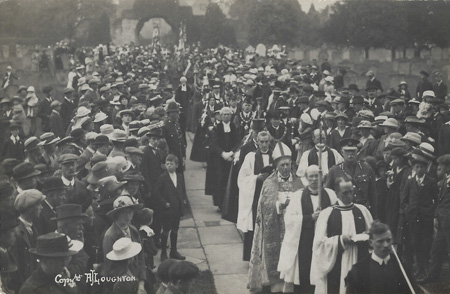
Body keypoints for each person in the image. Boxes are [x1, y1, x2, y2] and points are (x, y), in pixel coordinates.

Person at [248, 141, 304, 293]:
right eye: (282, 165)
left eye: (288, 165)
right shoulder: (269, 183)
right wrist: (280, 206)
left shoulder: (299, 182)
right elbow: (265, 206)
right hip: (276, 225)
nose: (285, 168)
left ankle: (292, 282)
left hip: (292, 228)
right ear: (277, 166)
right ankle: (275, 283)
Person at [278, 165, 338, 293]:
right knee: (306, 270)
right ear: (306, 178)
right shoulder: (298, 196)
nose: (314, 179)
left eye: (317, 176)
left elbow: (337, 214)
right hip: (305, 240)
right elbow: (289, 219)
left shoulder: (331, 194)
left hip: (324, 240)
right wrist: (310, 217)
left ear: (322, 177)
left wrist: (326, 216)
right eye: (311, 176)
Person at [310, 177, 373, 294]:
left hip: (360, 259)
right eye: (345, 193)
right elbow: (318, 245)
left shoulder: (363, 210)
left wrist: (368, 236)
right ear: (337, 193)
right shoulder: (326, 214)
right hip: (336, 263)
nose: (349, 196)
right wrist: (340, 240)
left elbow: (373, 236)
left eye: (351, 192)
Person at [345, 221, 416, 294]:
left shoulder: (401, 265)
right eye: (380, 241)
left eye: (388, 240)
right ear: (370, 243)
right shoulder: (358, 271)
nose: (386, 245)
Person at [237, 131, 273, 261]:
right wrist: (256, 178)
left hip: (271, 197)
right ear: (257, 142)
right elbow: (242, 178)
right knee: (254, 227)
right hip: (255, 196)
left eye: (266, 142)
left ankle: (267, 258)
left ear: (269, 142)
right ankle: (252, 257)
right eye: (261, 142)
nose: (264, 145)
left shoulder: (274, 156)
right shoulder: (250, 157)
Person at [401, 154, 437, 279]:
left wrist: (431, 212)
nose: (419, 169)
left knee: (426, 242)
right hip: (413, 218)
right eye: (417, 167)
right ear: (414, 168)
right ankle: (420, 268)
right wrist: (408, 210)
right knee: (415, 243)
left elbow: (436, 199)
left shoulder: (431, 182)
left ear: (426, 168)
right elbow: (404, 199)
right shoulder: (410, 182)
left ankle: (426, 268)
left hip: (426, 218)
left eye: (422, 167)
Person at [101, 195, 146, 293]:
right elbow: (110, 267)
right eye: (123, 213)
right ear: (116, 215)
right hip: (120, 281)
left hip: (136, 275)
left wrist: (141, 282)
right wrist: (132, 281)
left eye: (130, 212)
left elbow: (141, 256)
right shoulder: (110, 235)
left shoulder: (133, 230)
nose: (128, 216)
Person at [326, 138, 378, 217]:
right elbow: (328, 194)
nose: (350, 154)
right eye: (347, 151)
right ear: (342, 152)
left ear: (357, 152)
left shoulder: (367, 169)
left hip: (362, 211)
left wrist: (374, 216)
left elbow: (373, 195)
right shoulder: (334, 171)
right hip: (342, 211)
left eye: (353, 151)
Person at [420, 154, 450, 284]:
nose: (438, 168)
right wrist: (436, 216)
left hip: (448, 222)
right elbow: (441, 201)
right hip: (443, 223)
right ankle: (432, 276)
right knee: (436, 250)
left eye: (441, 166)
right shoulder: (445, 180)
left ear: (448, 167)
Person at [154, 154, 188, 261]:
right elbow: (156, 193)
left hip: (177, 208)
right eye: (167, 164)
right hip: (167, 210)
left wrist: (184, 201)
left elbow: (182, 190)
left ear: (177, 165)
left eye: (171, 164)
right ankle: (164, 252)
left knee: (175, 230)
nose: (169, 166)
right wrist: (164, 203)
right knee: (165, 231)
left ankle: (174, 251)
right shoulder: (162, 178)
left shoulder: (180, 177)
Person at [13, 189, 45, 284]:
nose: (41, 207)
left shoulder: (32, 227)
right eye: (39, 204)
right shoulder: (17, 232)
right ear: (30, 208)